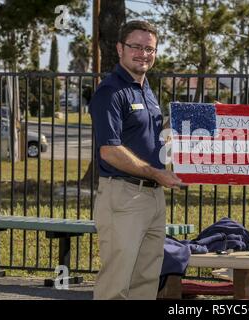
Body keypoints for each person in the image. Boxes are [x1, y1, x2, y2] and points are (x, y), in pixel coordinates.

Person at [89, 20, 184, 300]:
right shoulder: (111, 91)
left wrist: (191, 129)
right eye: (136, 47)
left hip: (153, 198)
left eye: (149, 49)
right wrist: (156, 173)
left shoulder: (145, 89)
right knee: (116, 285)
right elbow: (110, 150)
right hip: (123, 195)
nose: (143, 54)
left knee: (146, 281)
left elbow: (148, 137)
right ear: (120, 49)